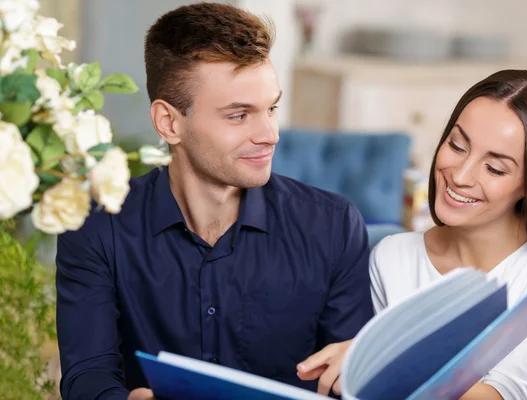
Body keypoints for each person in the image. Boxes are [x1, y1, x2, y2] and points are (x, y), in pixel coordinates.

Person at [55, 3, 374, 399]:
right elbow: (87, 378)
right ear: (169, 123)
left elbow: (353, 377)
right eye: (239, 116)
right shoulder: (97, 227)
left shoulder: (333, 226)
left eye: (271, 108)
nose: (270, 134)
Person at [297, 69, 527, 399]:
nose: (460, 175)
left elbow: (506, 393)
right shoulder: (393, 256)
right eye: (457, 146)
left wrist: (384, 364)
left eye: (495, 168)